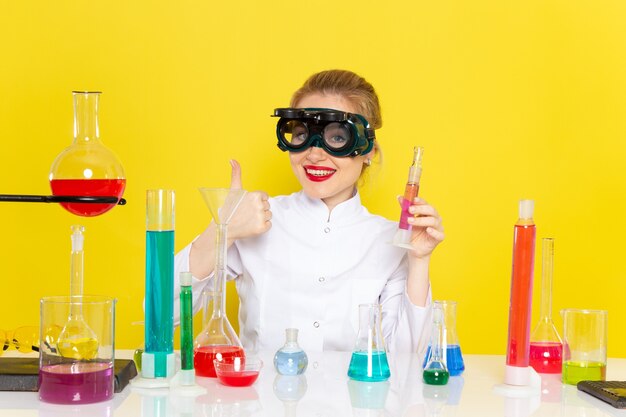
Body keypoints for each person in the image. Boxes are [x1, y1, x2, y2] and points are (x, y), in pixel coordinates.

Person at [174, 69, 444, 353]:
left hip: (353, 398)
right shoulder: (252, 218)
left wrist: (419, 261)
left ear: (367, 151)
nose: (314, 153)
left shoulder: (392, 239)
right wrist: (222, 229)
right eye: (302, 134)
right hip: (261, 397)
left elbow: (406, 361)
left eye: (337, 137)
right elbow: (164, 317)